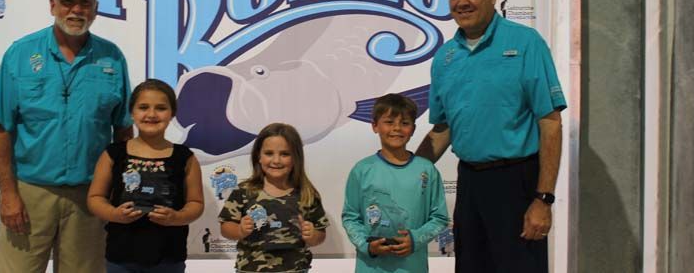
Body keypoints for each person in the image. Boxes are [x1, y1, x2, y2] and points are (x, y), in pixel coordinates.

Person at [416, 0, 566, 273]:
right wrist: (404, 171)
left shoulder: (526, 44)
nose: (462, 2)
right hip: (470, 183)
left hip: (518, 183)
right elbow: (442, 129)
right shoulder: (445, 56)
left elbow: (550, 123)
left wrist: (543, 199)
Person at [0, 0, 133, 272]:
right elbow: (0, 127)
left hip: (89, 197)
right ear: (52, 6)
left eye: (85, 3)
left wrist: (116, 188)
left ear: (95, 9)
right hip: (29, 193)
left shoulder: (112, 57)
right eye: (67, 2)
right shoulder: (20, 54)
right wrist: (8, 193)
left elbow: (123, 130)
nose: (76, 10)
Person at [88, 79, 205, 272]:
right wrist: (114, 214)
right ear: (132, 112)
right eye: (143, 107)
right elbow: (95, 198)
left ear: (172, 113)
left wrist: (176, 217)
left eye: (160, 108)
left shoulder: (185, 157)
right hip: (121, 256)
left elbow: (196, 204)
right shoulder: (113, 153)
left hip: (169, 257)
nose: (151, 114)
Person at [342, 93, 449, 273]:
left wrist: (415, 239)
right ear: (375, 126)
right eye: (389, 122)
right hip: (371, 268)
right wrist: (367, 245)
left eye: (405, 123)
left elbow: (439, 218)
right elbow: (350, 217)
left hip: (412, 267)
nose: (397, 128)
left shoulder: (427, 170)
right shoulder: (362, 170)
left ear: (413, 129)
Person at [219, 123, 328, 273]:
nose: (276, 160)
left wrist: (313, 235)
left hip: (296, 269)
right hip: (250, 269)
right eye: (269, 153)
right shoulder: (243, 191)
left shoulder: (307, 193)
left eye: (285, 154)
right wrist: (239, 230)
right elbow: (225, 227)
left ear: (296, 157)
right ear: (259, 156)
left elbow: (320, 233)